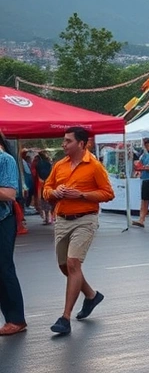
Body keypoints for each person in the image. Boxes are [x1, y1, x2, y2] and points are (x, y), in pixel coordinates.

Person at [43, 126, 115, 334]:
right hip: (62, 219)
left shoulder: (94, 166)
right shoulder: (60, 165)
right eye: (64, 141)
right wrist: (55, 192)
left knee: (74, 263)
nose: (63, 144)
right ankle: (91, 296)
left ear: (81, 144)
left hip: (85, 219)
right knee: (65, 267)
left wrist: (82, 195)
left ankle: (65, 318)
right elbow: (46, 190)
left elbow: (108, 193)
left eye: (68, 141)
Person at [0, 131, 26, 336]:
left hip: (3, 220)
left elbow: (9, 193)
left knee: (4, 267)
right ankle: (11, 318)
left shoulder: (5, 160)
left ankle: (16, 318)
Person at [35, 151, 54, 225]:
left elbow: (37, 174)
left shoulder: (38, 164)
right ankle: (51, 217)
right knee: (49, 200)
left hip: (41, 182)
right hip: (49, 182)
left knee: (43, 199)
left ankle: (46, 218)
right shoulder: (48, 163)